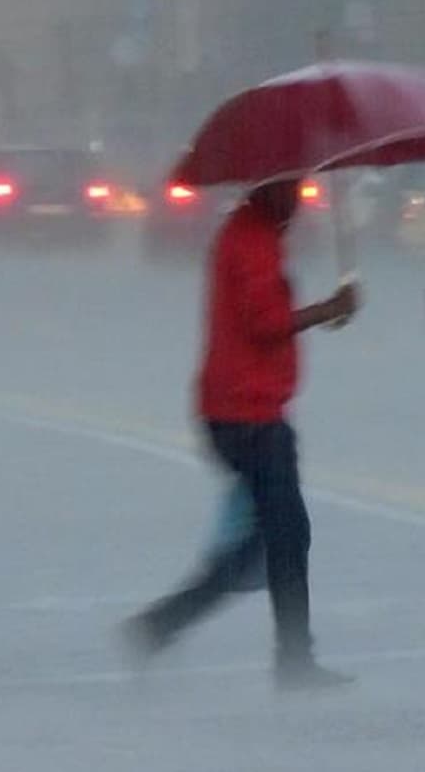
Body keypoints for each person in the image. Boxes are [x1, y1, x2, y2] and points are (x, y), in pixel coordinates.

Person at [122, 179, 360, 691]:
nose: (297, 199)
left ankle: (160, 627)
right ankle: (290, 663)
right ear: (267, 188)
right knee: (286, 536)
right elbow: (263, 322)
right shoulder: (249, 238)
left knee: (273, 538)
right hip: (246, 415)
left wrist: (327, 314)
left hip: (244, 408)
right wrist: (327, 309)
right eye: (289, 188)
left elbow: (264, 321)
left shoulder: (256, 234)